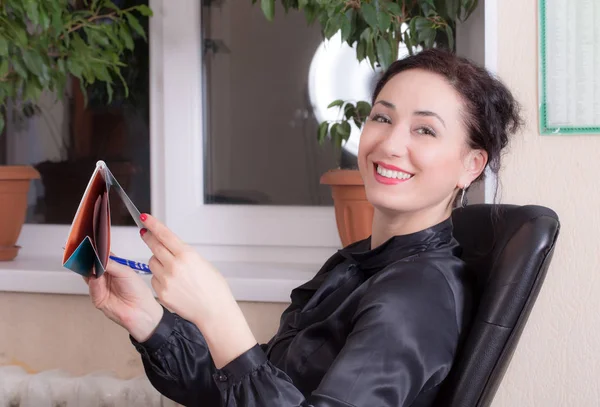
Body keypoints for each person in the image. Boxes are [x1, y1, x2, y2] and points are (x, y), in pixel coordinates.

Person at [85, 48, 523, 406]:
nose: (390, 144)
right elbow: (237, 392)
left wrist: (218, 314)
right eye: (383, 118)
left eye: (425, 130)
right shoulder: (355, 264)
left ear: (471, 165)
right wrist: (147, 318)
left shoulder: (417, 297)